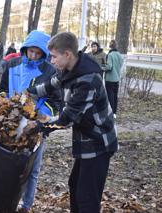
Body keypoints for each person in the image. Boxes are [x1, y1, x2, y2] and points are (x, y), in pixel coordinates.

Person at [27, 32, 118, 213]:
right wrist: (28, 92)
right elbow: (49, 85)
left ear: (67, 54)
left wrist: (39, 127)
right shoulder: (68, 69)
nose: (51, 61)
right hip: (85, 139)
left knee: (87, 197)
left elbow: (66, 119)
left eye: (53, 56)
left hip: (98, 142)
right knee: (75, 185)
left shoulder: (87, 80)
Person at [0, 30, 62, 213]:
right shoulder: (12, 65)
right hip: (10, 123)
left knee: (32, 168)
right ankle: (6, 200)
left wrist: (38, 116)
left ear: (44, 53)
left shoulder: (50, 71)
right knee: (9, 164)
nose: (33, 55)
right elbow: (2, 90)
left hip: (35, 126)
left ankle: (26, 205)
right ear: (24, 49)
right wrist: (6, 107)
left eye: (37, 52)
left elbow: (56, 101)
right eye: (30, 51)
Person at [105, 40, 123, 118]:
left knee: (110, 96)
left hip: (109, 79)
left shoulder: (110, 55)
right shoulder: (119, 55)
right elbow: (120, 64)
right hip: (117, 78)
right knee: (115, 96)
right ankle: (114, 113)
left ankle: (111, 112)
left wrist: (102, 67)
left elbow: (109, 67)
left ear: (110, 46)